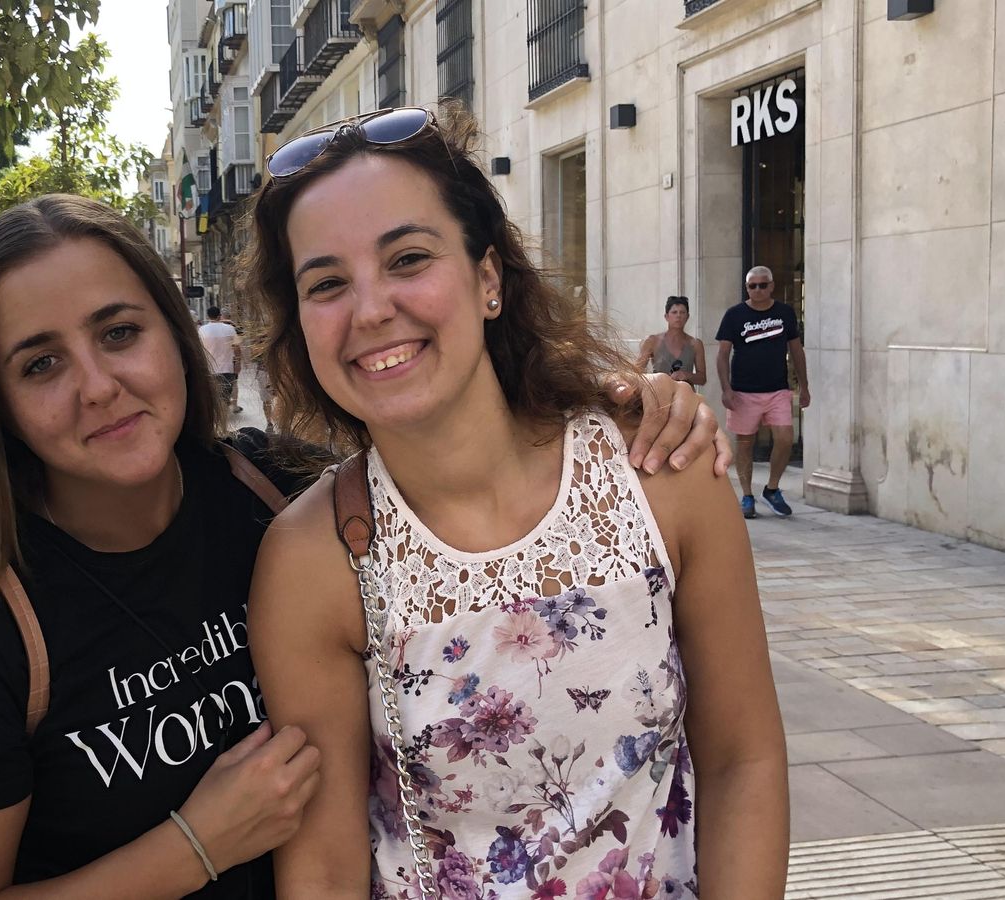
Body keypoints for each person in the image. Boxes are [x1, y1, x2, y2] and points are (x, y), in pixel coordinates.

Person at [0, 193, 721, 899]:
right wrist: (194, 845)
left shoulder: (273, 493)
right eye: (40, 364)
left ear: (176, 335)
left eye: (120, 332)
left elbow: (442, 435)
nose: (98, 385)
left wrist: (623, 402)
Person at [240, 105, 787, 899]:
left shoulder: (660, 470)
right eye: (326, 283)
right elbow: (324, 868)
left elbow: (745, 761)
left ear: (487, 277)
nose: (369, 310)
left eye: (407, 259)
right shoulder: (311, 560)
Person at [716, 266, 810, 519]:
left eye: (762, 285)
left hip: (777, 389)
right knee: (745, 444)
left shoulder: (785, 313)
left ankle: (772, 489)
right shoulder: (735, 315)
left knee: (784, 438)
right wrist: (726, 389)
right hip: (743, 392)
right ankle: (747, 495)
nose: (757, 290)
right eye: (752, 286)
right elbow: (723, 354)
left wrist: (804, 386)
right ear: (747, 288)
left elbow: (797, 351)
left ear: (771, 286)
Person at [639, 296, 705, 385]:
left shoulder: (695, 344)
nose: (678, 316)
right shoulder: (652, 341)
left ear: (687, 316)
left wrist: (686, 375)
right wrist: (655, 379)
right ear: (666, 316)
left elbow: (702, 378)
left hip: (685, 395)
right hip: (659, 393)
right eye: (674, 312)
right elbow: (637, 371)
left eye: (682, 312)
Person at [198, 306, 240, 410]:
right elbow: (237, 348)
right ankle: (224, 424)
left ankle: (217, 423)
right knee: (224, 400)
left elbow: (198, 350)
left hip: (210, 369)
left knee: (213, 400)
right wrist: (238, 363)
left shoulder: (202, 330)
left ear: (208, 316)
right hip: (227, 369)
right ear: (220, 316)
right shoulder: (230, 329)